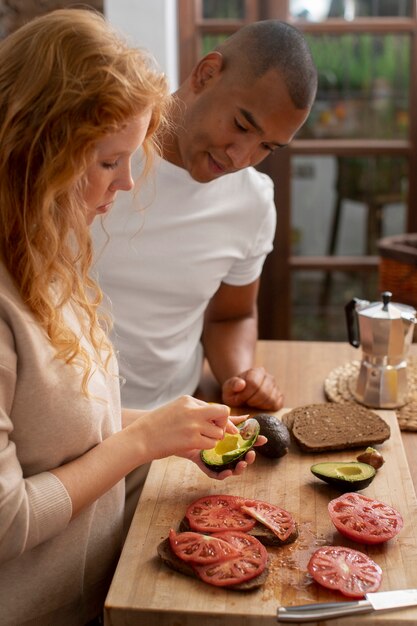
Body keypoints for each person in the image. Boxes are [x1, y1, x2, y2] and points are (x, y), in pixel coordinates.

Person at [0, 9, 262, 626]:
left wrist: (171, 430)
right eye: (109, 162)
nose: (124, 184)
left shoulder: (46, 254)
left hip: (91, 599)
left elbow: (62, 429)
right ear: (39, 150)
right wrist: (142, 441)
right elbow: (8, 521)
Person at [92, 20, 317, 413]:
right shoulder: (99, 153)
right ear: (206, 74)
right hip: (69, 426)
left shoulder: (253, 202)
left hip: (174, 425)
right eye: (241, 125)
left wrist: (242, 376)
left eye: (267, 146)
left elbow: (232, 316)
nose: (240, 157)